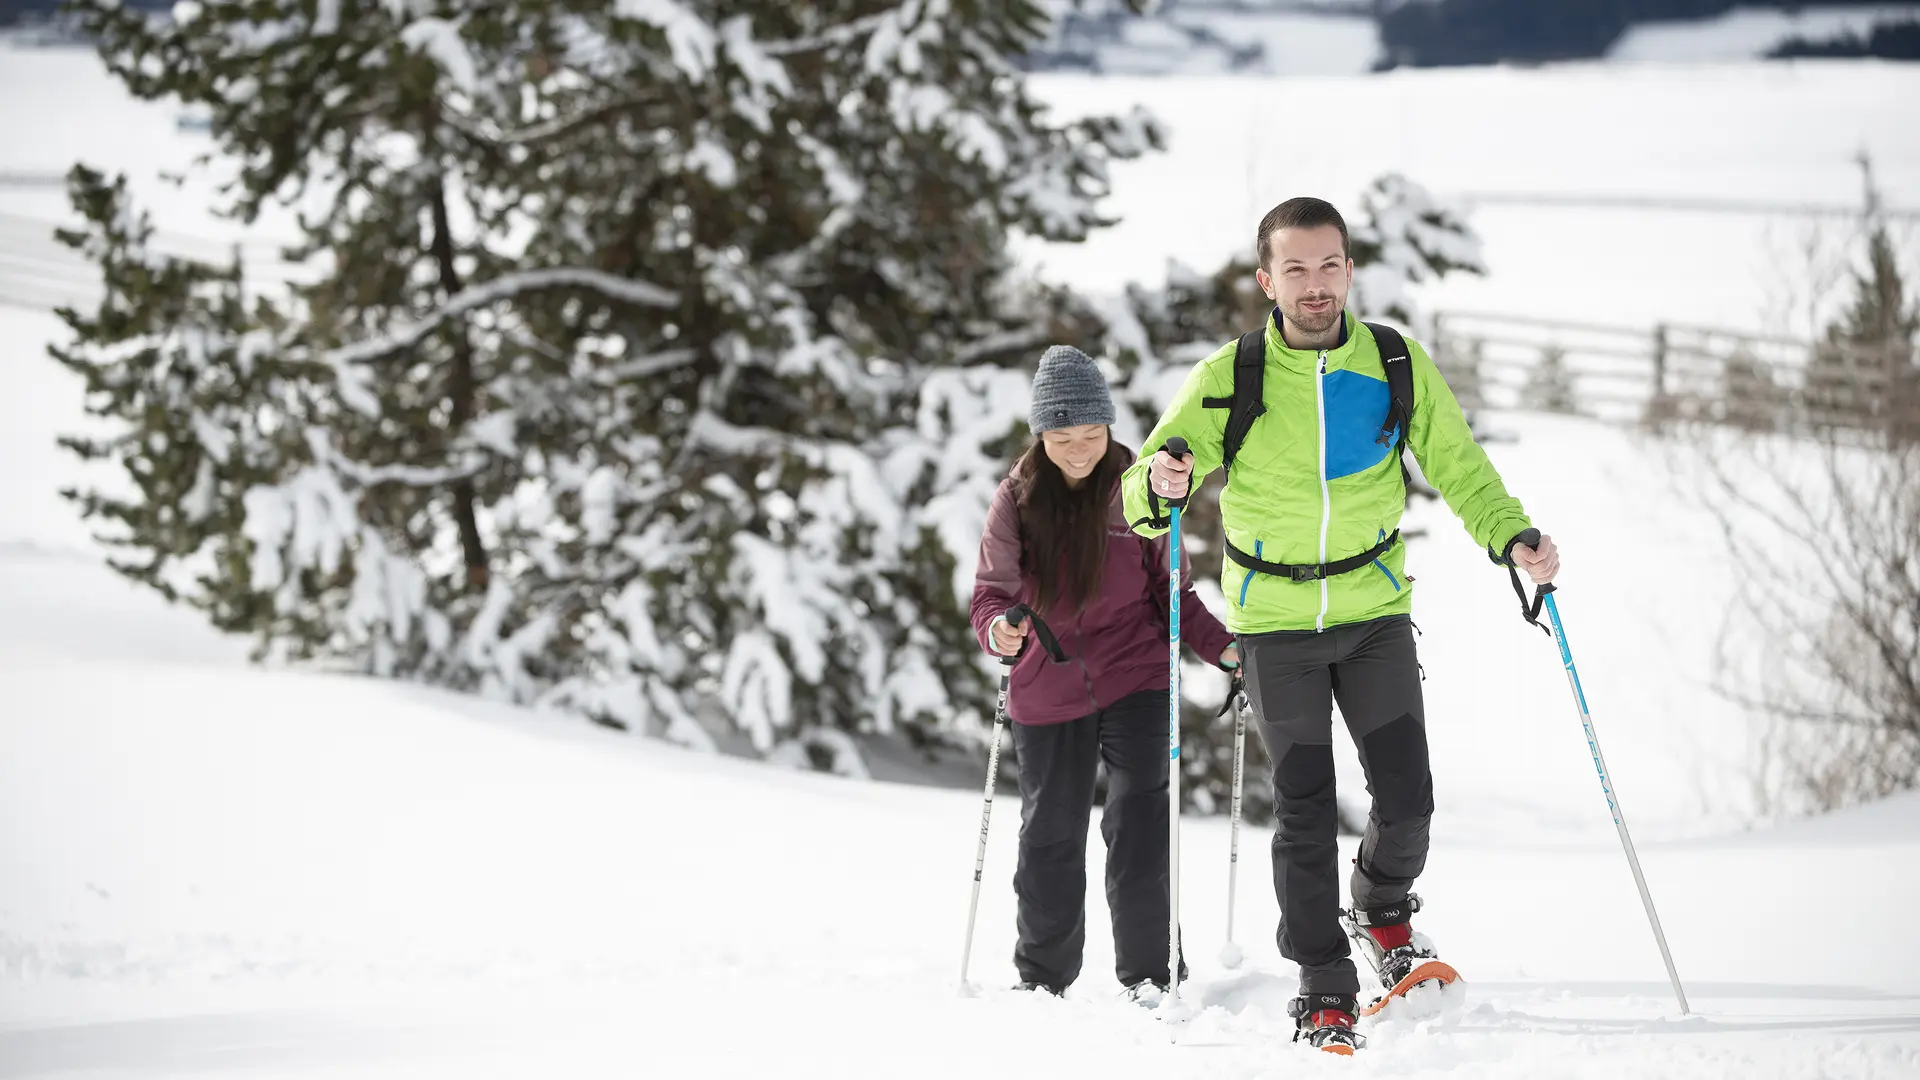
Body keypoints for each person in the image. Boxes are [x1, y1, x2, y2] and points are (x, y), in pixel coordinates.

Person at [1121, 197, 1560, 1053]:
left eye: (1329, 266)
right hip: (1275, 625)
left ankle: (1382, 910)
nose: (1314, 285)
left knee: (1407, 800)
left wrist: (1513, 535)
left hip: (1372, 614)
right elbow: (1145, 491)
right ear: (1266, 279)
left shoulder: (1394, 363)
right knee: (1306, 811)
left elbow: (1459, 466)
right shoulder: (1231, 376)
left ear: (1349, 270)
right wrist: (1159, 487)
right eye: (1296, 269)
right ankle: (1322, 982)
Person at [970, 344, 1239, 1003]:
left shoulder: (1139, 491)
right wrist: (999, 626)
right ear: (1041, 434)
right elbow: (990, 594)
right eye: (1062, 437)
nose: (1079, 449)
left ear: (1110, 427)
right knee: (1050, 833)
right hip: (1047, 686)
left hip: (1136, 677)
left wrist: (1225, 649)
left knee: (1140, 823)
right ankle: (1042, 979)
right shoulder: (1018, 500)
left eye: (1091, 434)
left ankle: (1150, 976)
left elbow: (1176, 596)